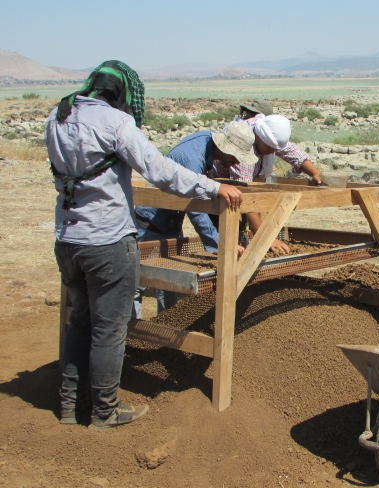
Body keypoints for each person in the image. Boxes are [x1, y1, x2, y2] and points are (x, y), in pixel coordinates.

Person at [45, 60, 243, 430]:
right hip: (106, 241)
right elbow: (161, 171)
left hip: (68, 239)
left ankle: (71, 405)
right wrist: (214, 188)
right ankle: (104, 411)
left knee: (80, 321)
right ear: (122, 93)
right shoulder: (115, 123)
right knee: (110, 327)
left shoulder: (58, 116)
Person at [133, 122, 256, 316]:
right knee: (137, 281)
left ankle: (166, 333)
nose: (235, 163)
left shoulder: (206, 141)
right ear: (224, 147)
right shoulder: (193, 159)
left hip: (170, 222)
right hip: (151, 224)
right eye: (234, 157)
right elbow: (196, 209)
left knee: (170, 284)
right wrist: (221, 244)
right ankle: (130, 339)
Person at [213, 114, 322, 253]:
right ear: (259, 137)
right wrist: (267, 238)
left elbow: (294, 155)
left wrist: (315, 173)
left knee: (241, 229)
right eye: (270, 148)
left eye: (275, 149)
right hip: (217, 186)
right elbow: (245, 194)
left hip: (238, 188)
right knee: (223, 235)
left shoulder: (270, 136)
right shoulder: (245, 143)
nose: (272, 152)